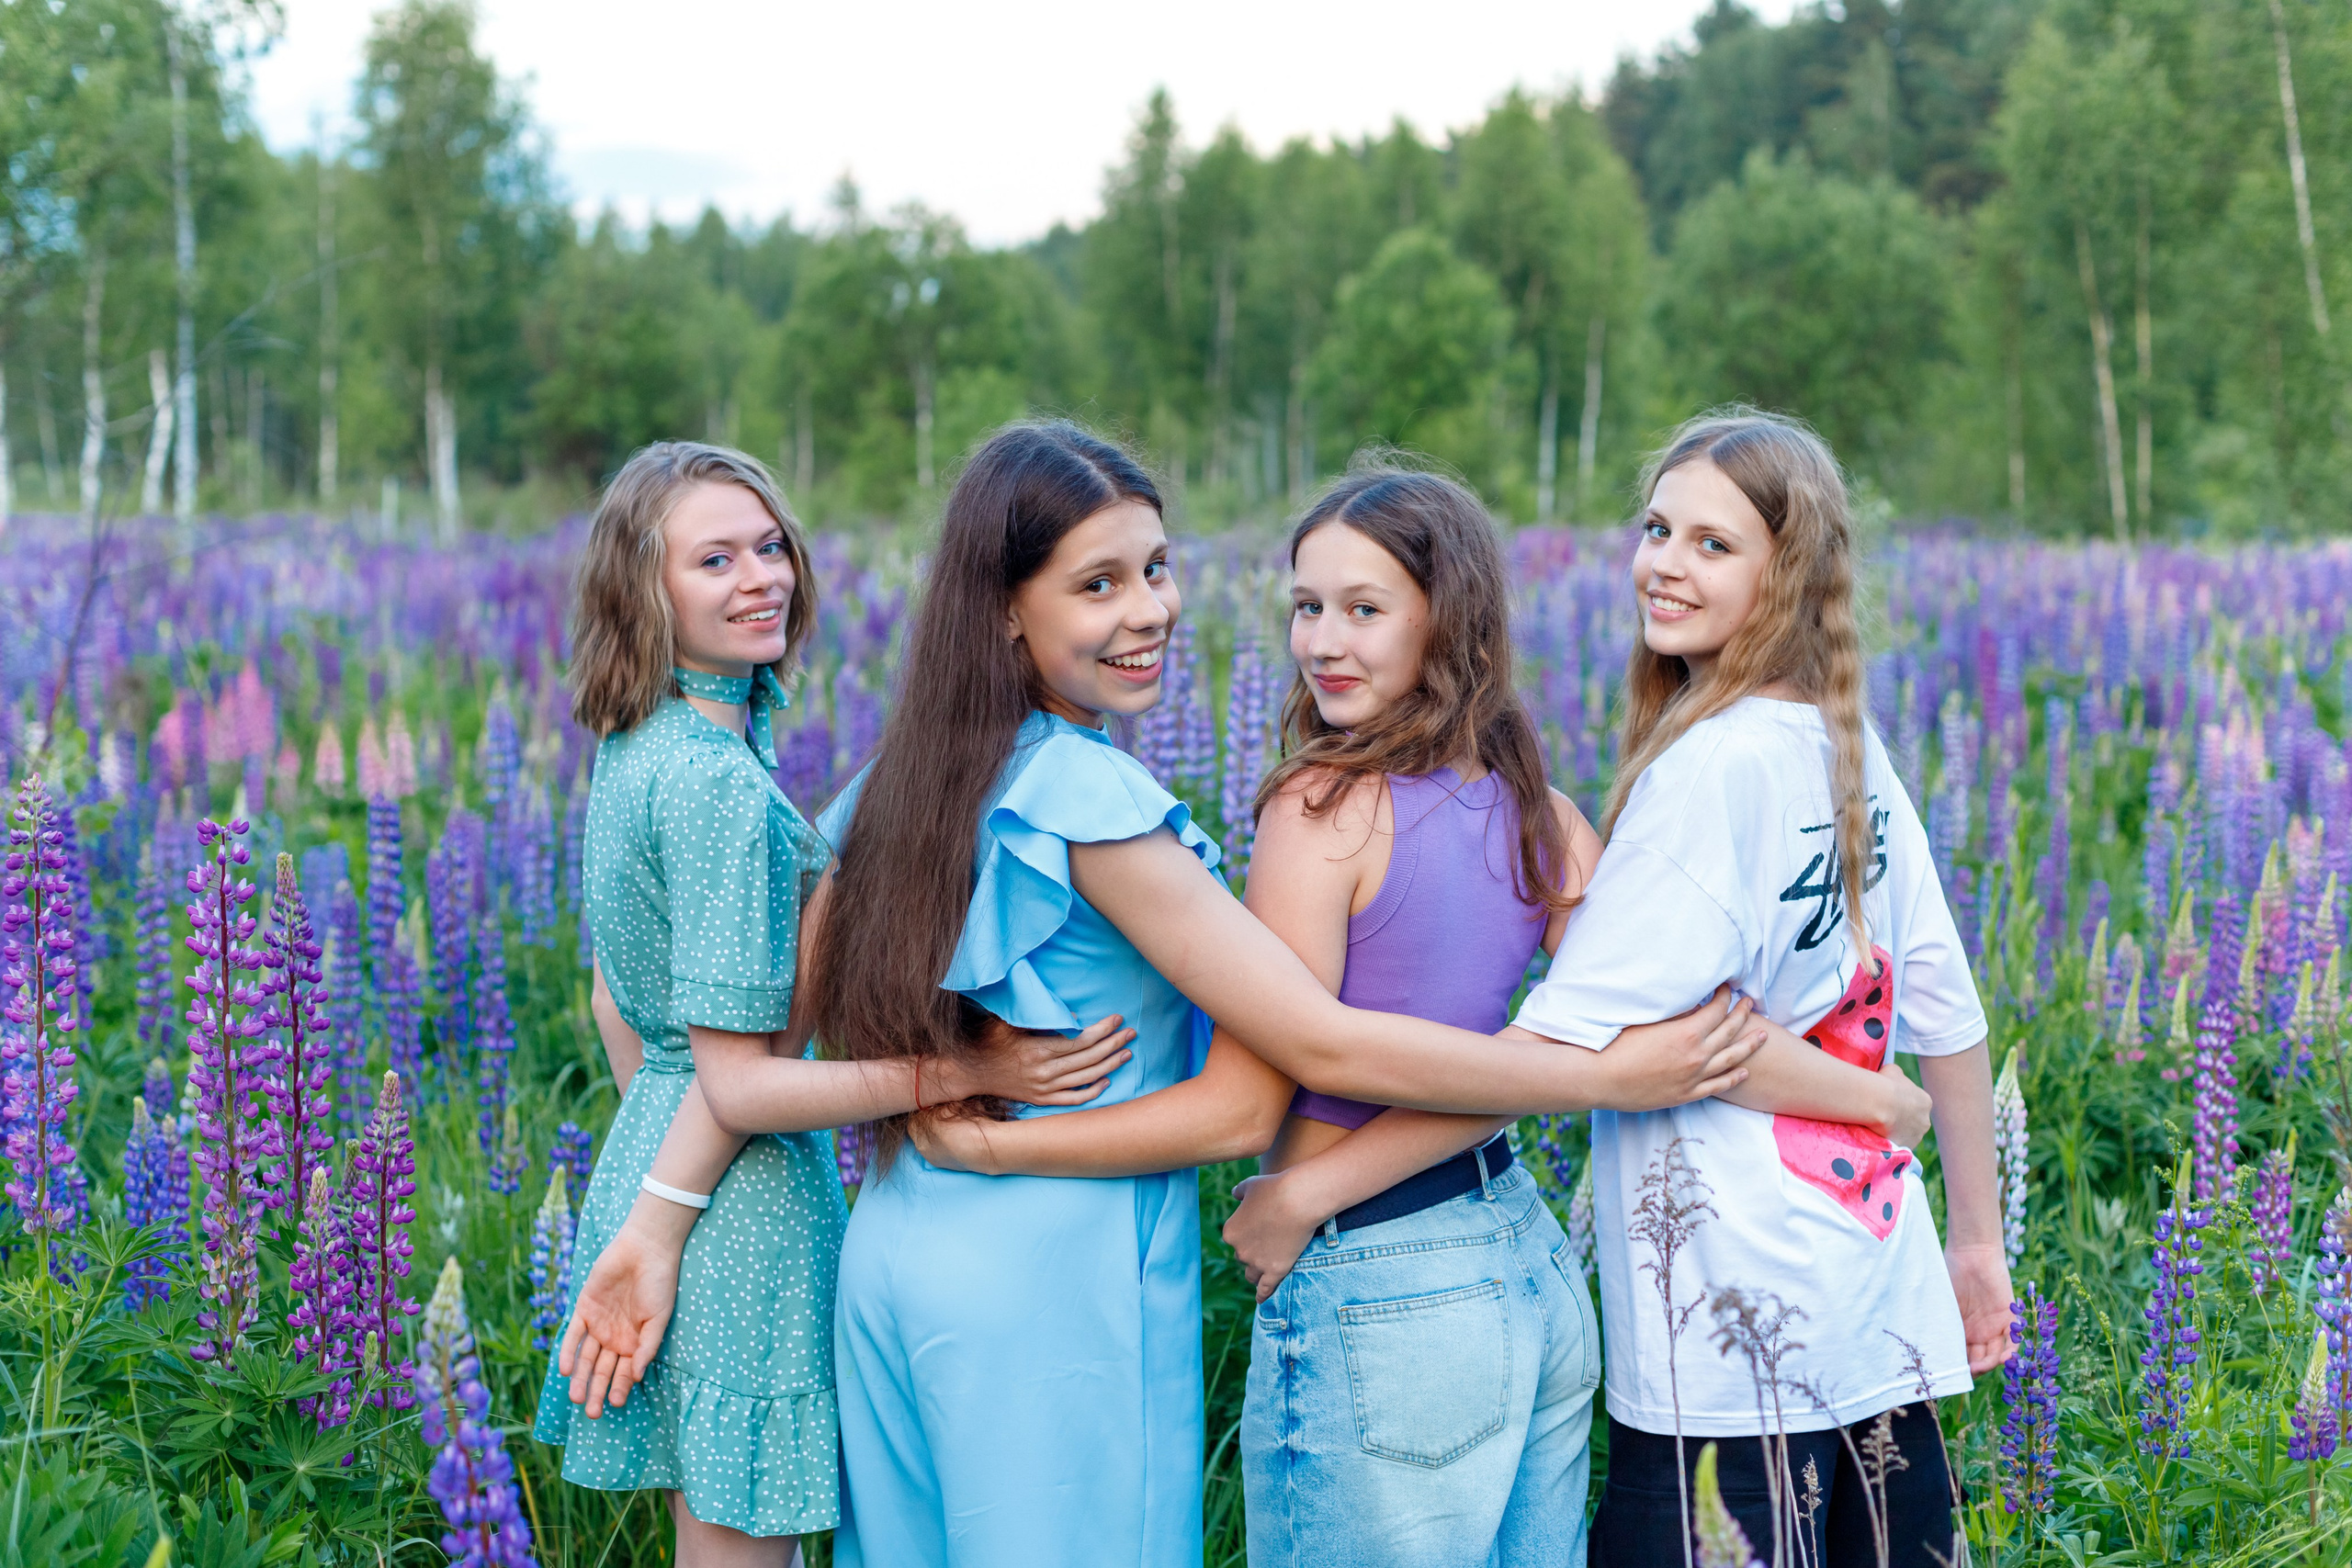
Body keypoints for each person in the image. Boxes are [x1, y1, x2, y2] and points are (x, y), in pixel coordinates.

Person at [567, 421, 1908, 1568]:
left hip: (899, 1265)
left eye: (1157, 570)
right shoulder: (1100, 797)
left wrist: (664, 1211)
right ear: (1006, 606)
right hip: (1059, 1283)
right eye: (1099, 583)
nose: (1150, 608)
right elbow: (1274, 1070)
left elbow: (699, 1037)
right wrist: (1600, 1076)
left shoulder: (885, 782)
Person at [533, 440, 1129, 1568]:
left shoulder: (640, 744)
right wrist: (967, 1072)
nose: (762, 577)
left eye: (770, 547)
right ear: (643, 590)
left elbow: (615, 997)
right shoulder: (713, 785)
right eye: (714, 559)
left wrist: (665, 1158)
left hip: (662, 1166)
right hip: (737, 1210)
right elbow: (744, 1080)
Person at [1507, 411, 2008, 1568]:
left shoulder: (1712, 766)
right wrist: (1973, 1241)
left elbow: (1571, 1043)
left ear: (1786, 576)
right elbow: (1946, 1011)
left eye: (1713, 544)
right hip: (1877, 1302)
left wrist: (1328, 1162)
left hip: (1727, 1342)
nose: (1665, 563)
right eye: (1657, 528)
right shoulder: (1842, 744)